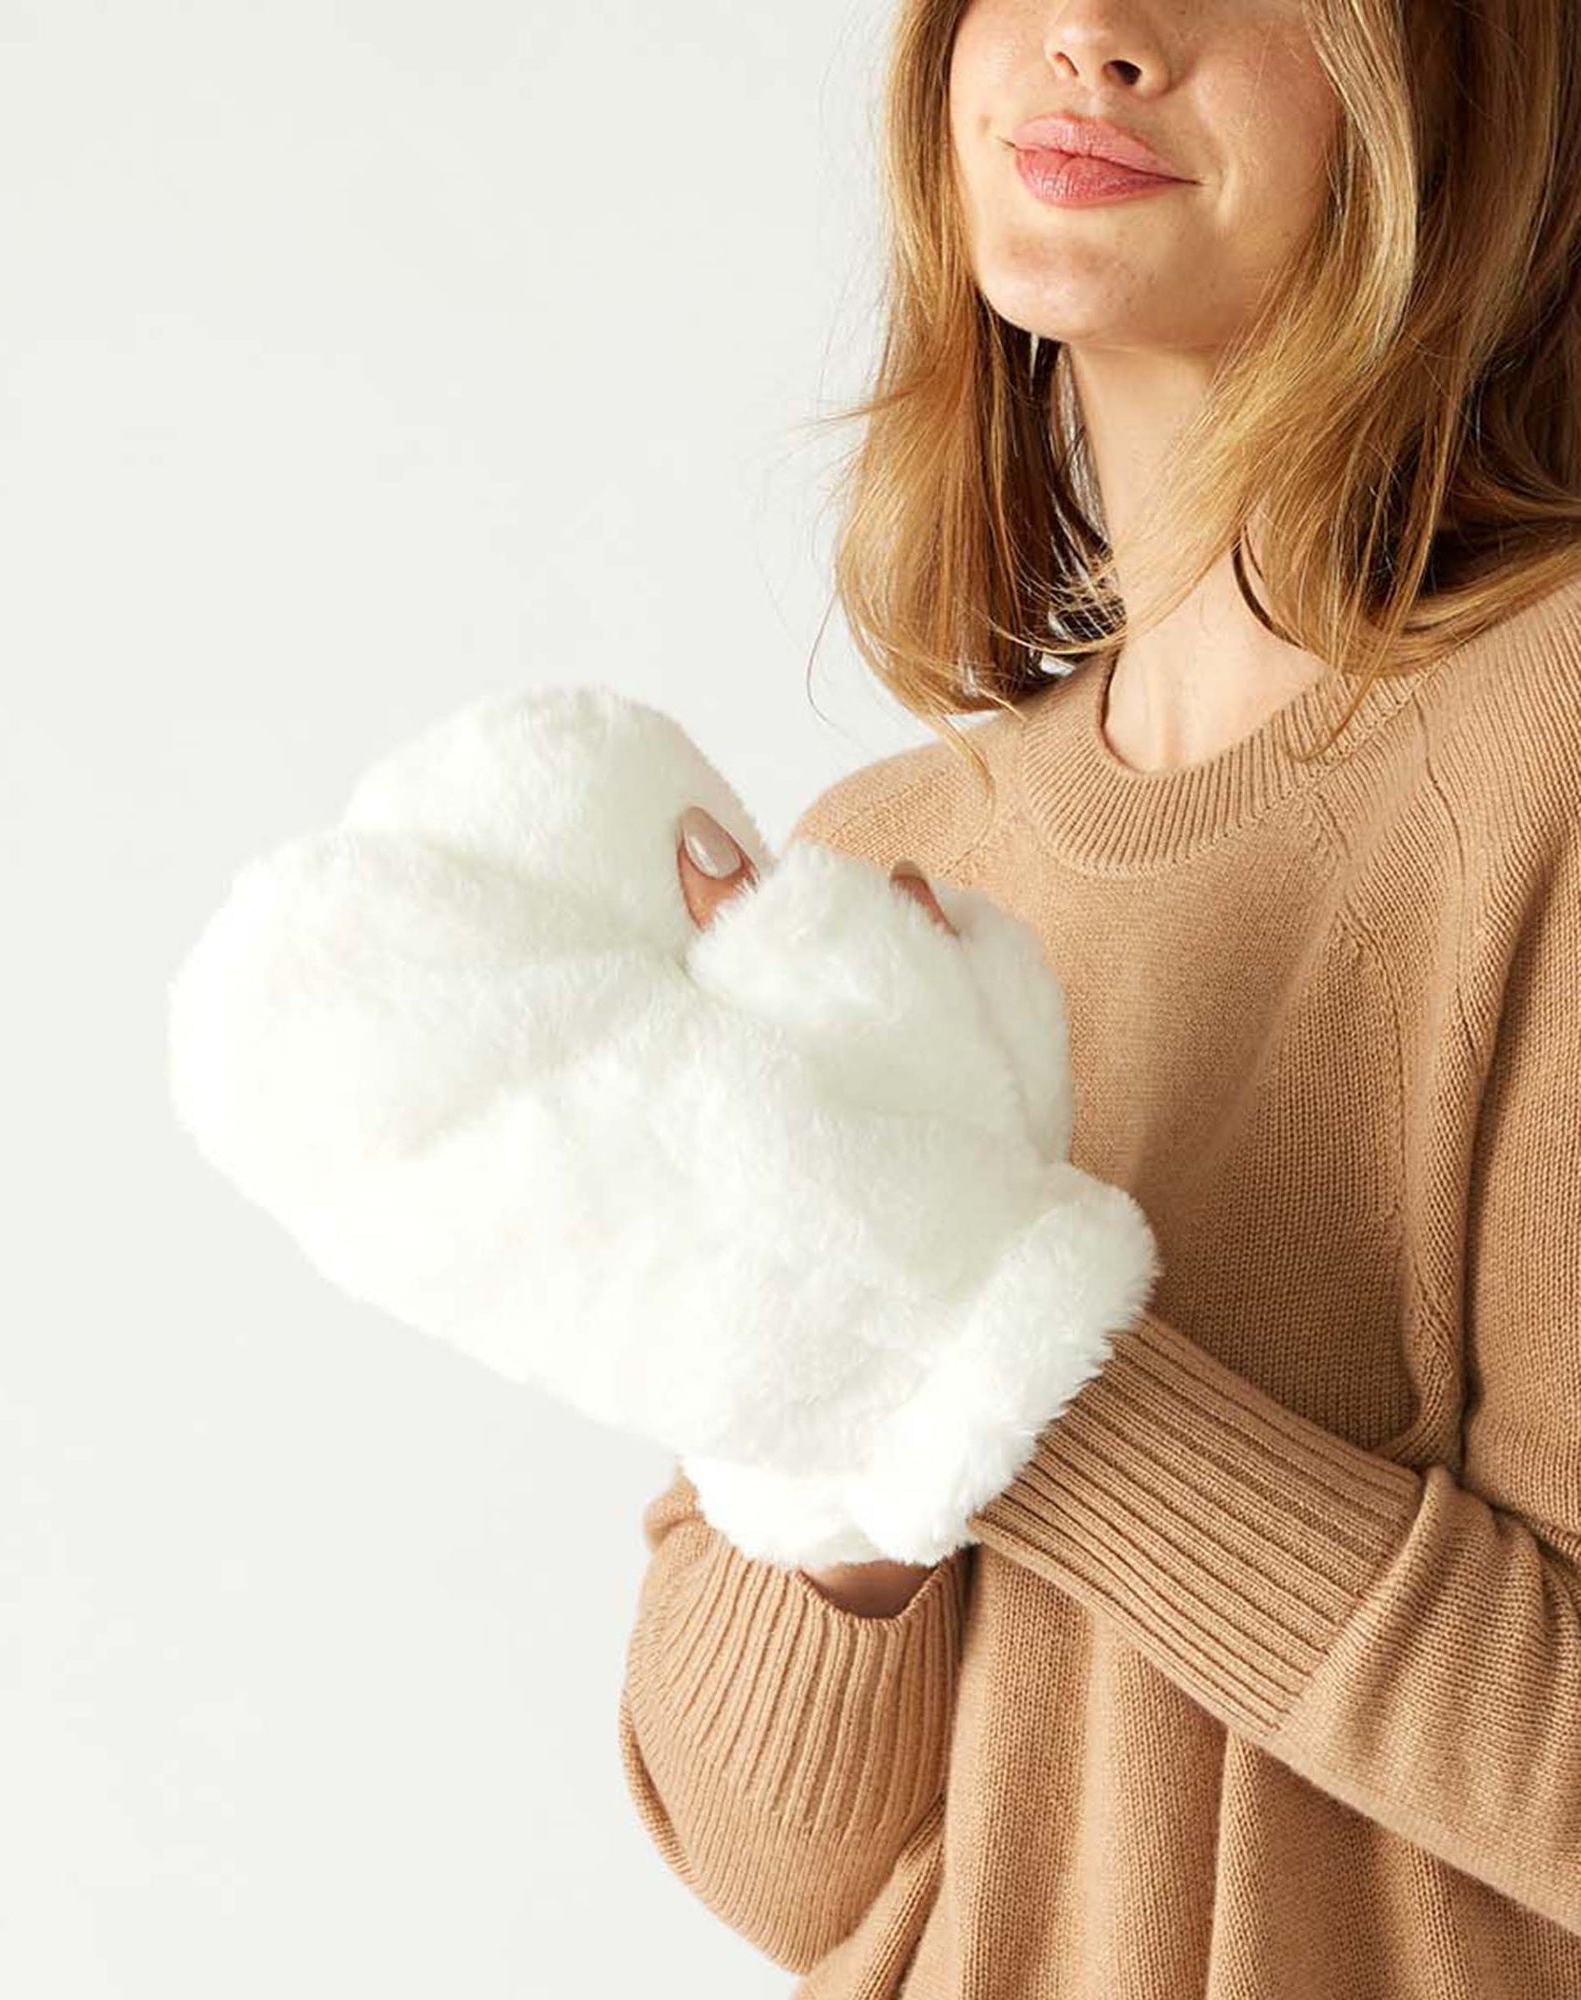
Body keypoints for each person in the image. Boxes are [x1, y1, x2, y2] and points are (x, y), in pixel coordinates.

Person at [620, 1, 1581, 1993]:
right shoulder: (888, 849)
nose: (1092, 33)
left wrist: (980, 1327)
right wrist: (843, 1425)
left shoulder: (1550, 757)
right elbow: (773, 1860)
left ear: (1463, 77)